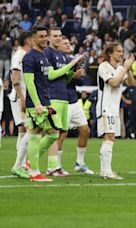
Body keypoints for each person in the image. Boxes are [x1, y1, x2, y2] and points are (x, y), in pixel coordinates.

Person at [23, 26, 83, 182]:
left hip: (47, 100)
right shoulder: (31, 57)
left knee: (53, 134)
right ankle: (34, 170)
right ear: (33, 39)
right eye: (41, 36)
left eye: (45, 36)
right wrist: (36, 104)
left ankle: (30, 165)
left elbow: (47, 79)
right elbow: (30, 82)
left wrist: (71, 72)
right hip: (38, 103)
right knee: (37, 134)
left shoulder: (43, 55)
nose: (44, 39)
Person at [44, 27, 85, 176]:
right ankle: (46, 165)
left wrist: (73, 74)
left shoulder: (61, 55)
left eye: (60, 36)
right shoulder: (47, 53)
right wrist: (70, 65)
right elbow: (50, 75)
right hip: (51, 98)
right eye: (54, 36)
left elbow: (64, 78)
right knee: (53, 133)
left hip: (63, 98)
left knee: (57, 134)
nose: (58, 38)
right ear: (48, 38)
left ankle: (54, 166)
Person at [97, 42, 135, 179]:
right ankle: (107, 171)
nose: (121, 53)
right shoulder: (103, 66)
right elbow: (113, 83)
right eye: (118, 51)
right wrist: (125, 68)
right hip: (105, 106)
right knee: (109, 137)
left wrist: (128, 69)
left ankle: (104, 170)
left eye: (121, 51)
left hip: (114, 107)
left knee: (110, 138)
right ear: (110, 53)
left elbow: (131, 83)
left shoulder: (120, 68)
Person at [59, 36, 94, 175]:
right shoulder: (57, 60)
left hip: (74, 100)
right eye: (65, 43)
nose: (68, 44)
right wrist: (73, 75)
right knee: (62, 134)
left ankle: (80, 163)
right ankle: (56, 165)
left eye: (69, 43)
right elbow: (57, 80)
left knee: (85, 131)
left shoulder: (71, 60)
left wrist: (79, 75)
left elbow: (79, 83)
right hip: (62, 101)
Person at [10, 31, 31, 179]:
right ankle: (19, 165)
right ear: (28, 40)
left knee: (23, 130)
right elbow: (15, 79)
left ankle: (21, 164)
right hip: (20, 97)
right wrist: (21, 97)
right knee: (32, 128)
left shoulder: (27, 55)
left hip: (24, 96)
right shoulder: (19, 55)